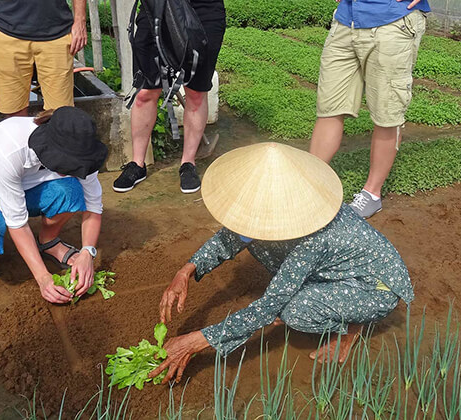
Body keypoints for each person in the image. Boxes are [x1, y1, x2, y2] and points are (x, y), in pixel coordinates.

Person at [149, 143, 414, 383]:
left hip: (374, 287)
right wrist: (187, 270)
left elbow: (267, 308)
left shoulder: (312, 239)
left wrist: (196, 341)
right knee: (267, 252)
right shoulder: (276, 208)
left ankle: (350, 329)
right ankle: (325, 298)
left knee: (294, 311)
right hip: (340, 269)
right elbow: (231, 238)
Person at [0, 107, 107, 304]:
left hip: (24, 186)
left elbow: (93, 206)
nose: (70, 168)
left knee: (72, 192)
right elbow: (18, 223)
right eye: (65, 163)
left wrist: (88, 252)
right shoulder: (11, 147)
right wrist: (43, 278)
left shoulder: (83, 149)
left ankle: (48, 241)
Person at [309, 0, 430, 218]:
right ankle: (309, 181)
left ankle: (371, 194)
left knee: (387, 113)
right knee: (329, 107)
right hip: (346, 21)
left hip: (392, 23)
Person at [112, 0, 226, 194]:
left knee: (196, 93)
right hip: (156, 8)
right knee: (145, 92)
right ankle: (137, 164)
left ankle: (188, 163)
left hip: (204, 10)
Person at [0, 0, 88, 116]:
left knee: (60, 115)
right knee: (14, 115)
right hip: (6, 34)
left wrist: (80, 21)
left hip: (56, 34)